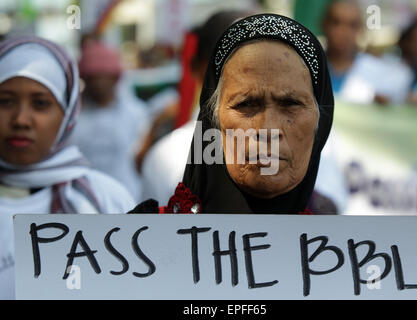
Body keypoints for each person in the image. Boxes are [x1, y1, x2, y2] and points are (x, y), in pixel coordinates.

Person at [131, 13, 335, 214]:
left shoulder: (341, 241)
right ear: (214, 118)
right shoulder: (150, 236)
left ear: (321, 123)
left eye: (291, 104)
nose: (267, 129)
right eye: (246, 104)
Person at [0, 36, 135, 300]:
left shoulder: (106, 200)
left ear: (68, 112)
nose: (21, 120)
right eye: (5, 101)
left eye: (40, 103)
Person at [71, 40, 147, 200]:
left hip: (129, 201)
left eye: (103, 76)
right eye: (93, 77)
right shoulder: (72, 116)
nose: (99, 83)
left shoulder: (136, 113)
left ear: (115, 78)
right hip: (82, 203)